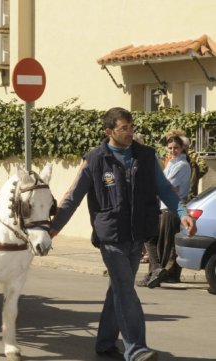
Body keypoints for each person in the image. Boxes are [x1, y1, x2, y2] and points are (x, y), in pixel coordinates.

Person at [49, 107, 196, 361]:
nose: (130, 133)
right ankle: (136, 349)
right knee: (126, 289)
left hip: (136, 235)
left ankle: (105, 342)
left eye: (131, 127)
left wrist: (182, 212)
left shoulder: (145, 156)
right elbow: (73, 197)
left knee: (117, 289)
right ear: (109, 132)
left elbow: (165, 188)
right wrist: (53, 228)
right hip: (110, 237)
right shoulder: (95, 159)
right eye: (123, 129)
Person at [139, 135, 191, 288]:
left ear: (182, 148)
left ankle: (166, 274)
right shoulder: (171, 163)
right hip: (164, 206)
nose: (173, 151)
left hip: (172, 207)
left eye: (176, 148)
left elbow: (168, 187)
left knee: (167, 244)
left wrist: (159, 187)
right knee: (162, 243)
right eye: (170, 148)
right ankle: (159, 273)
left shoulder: (182, 165)